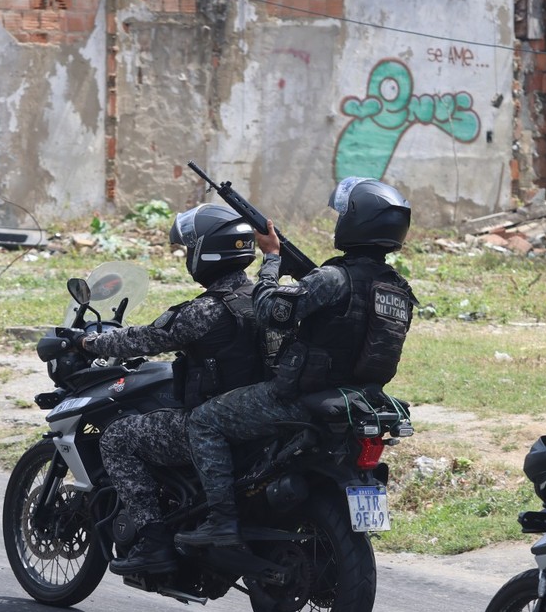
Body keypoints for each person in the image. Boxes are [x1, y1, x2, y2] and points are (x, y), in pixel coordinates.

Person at [176, 177, 415, 548]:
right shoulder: (398, 289)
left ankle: (221, 521)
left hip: (300, 395)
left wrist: (272, 260)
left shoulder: (334, 278)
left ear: (355, 223)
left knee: (204, 421)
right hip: (360, 398)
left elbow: (270, 311)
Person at [73, 205, 265, 575]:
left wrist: (89, 343)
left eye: (187, 249)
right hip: (260, 419)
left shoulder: (206, 310)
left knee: (118, 438)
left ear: (205, 252)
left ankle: (153, 538)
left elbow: (146, 338)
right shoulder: (266, 297)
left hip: (216, 422)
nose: (185, 256)